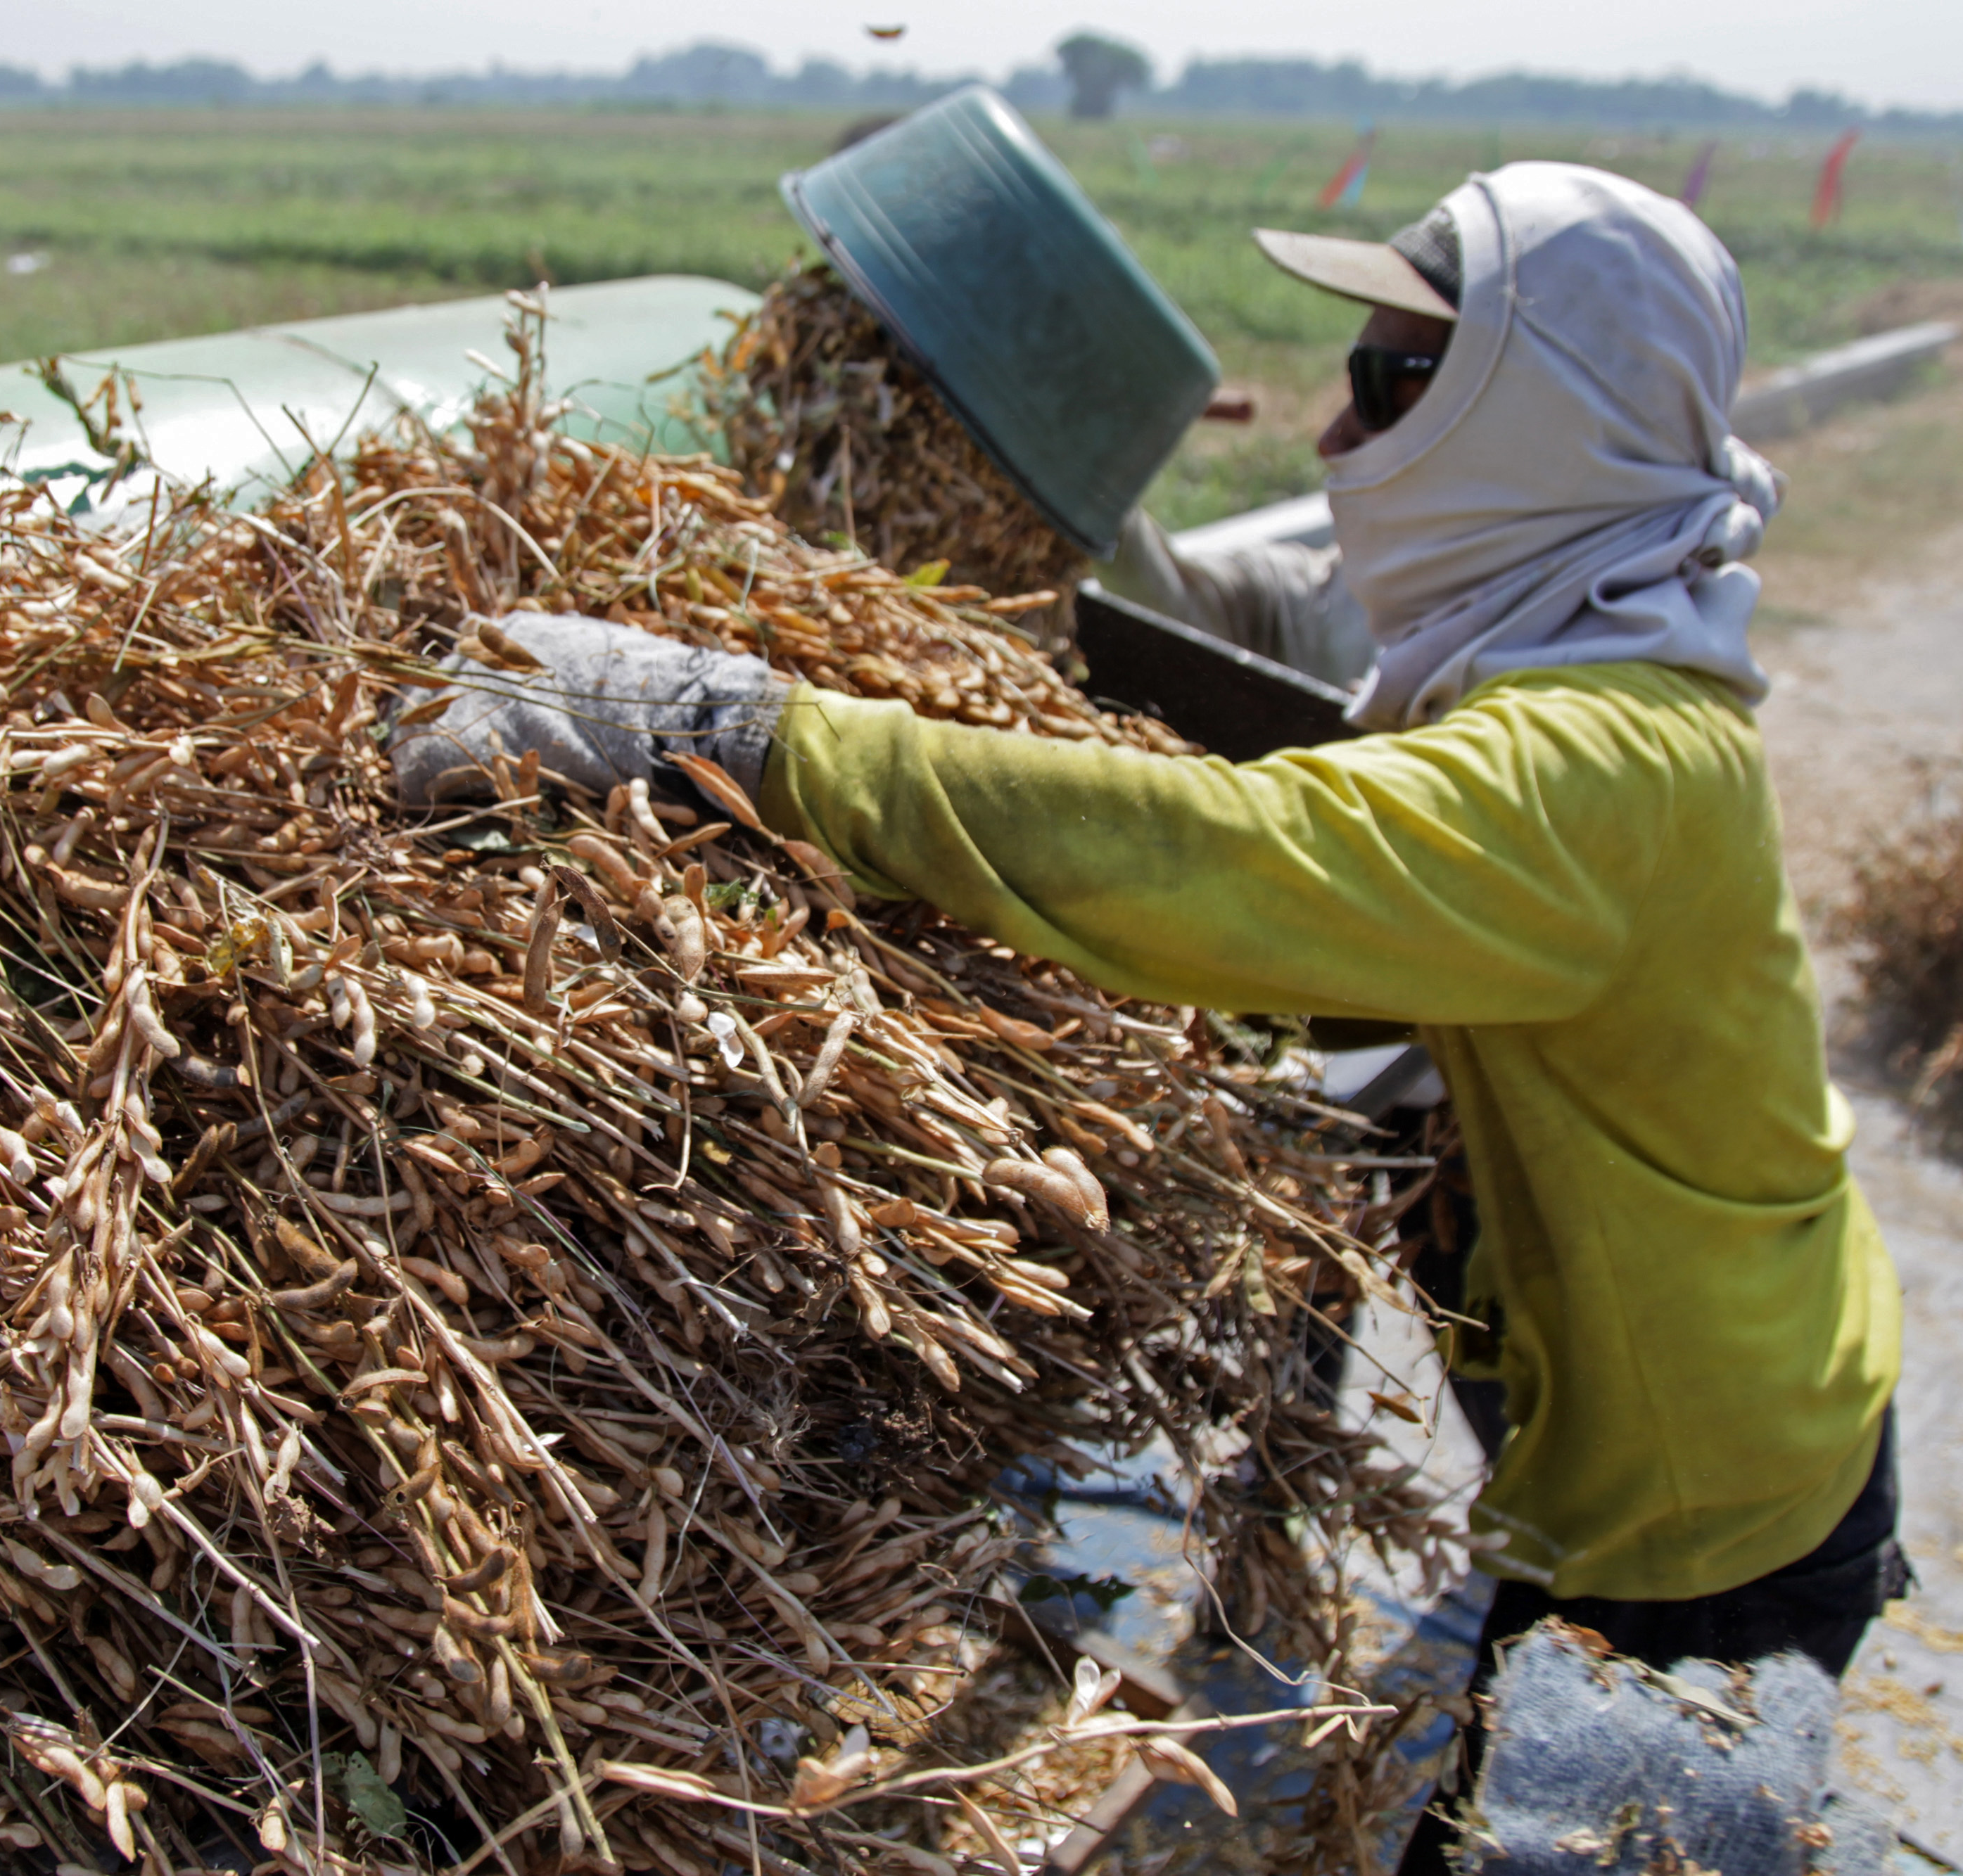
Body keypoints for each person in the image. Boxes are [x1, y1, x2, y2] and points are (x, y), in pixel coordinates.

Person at [390, 164, 1904, 1867]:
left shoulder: (1596, 765)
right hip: (1698, 1411)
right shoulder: (1578, 662)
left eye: (1399, 379)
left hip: (1704, 1523)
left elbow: (1231, 865)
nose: (1337, 432)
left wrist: (741, 730)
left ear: (1544, 422)